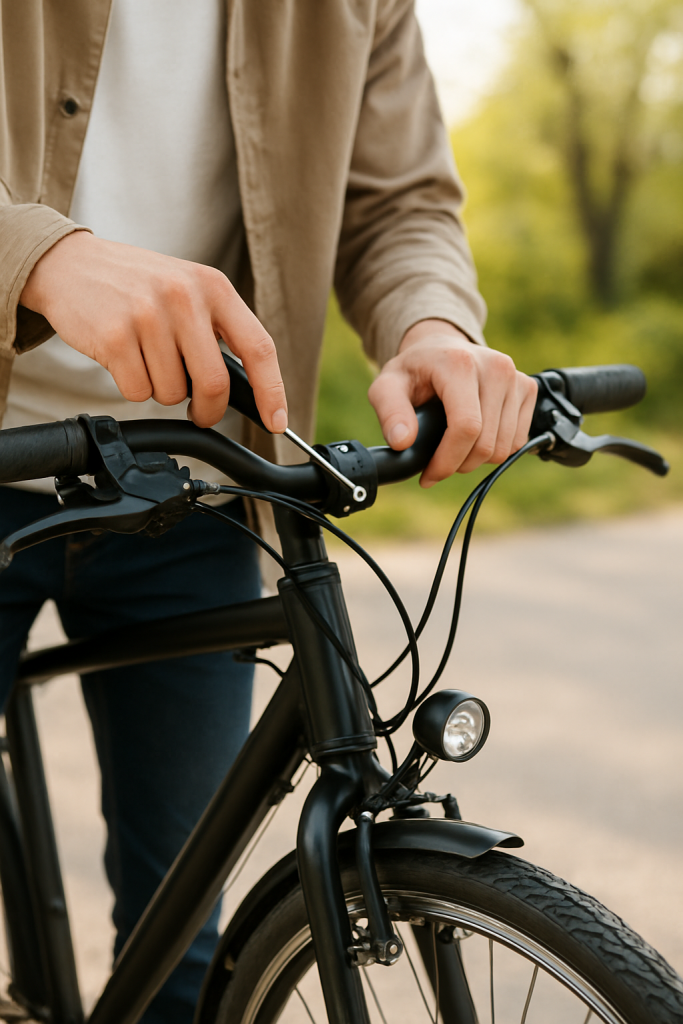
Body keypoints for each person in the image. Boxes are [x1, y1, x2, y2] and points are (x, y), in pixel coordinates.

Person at [0, 2, 537, 1022]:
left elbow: (398, 203)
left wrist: (431, 323)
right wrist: (35, 255)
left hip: (195, 480)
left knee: (183, 958)